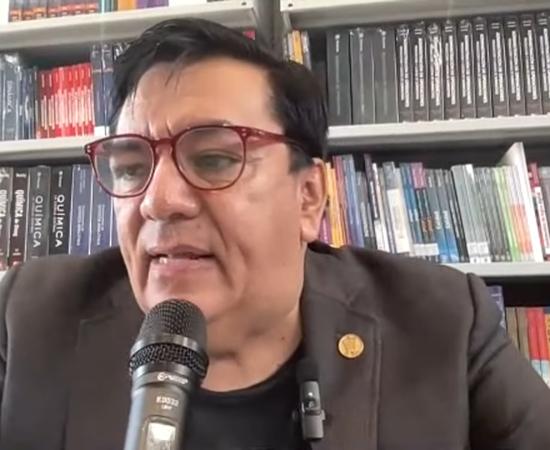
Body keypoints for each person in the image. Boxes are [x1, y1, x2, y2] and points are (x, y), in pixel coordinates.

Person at [1, 18, 550, 450]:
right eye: (130, 168)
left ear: (309, 197)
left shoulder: (441, 322)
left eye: (214, 159)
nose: (157, 200)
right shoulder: (30, 317)